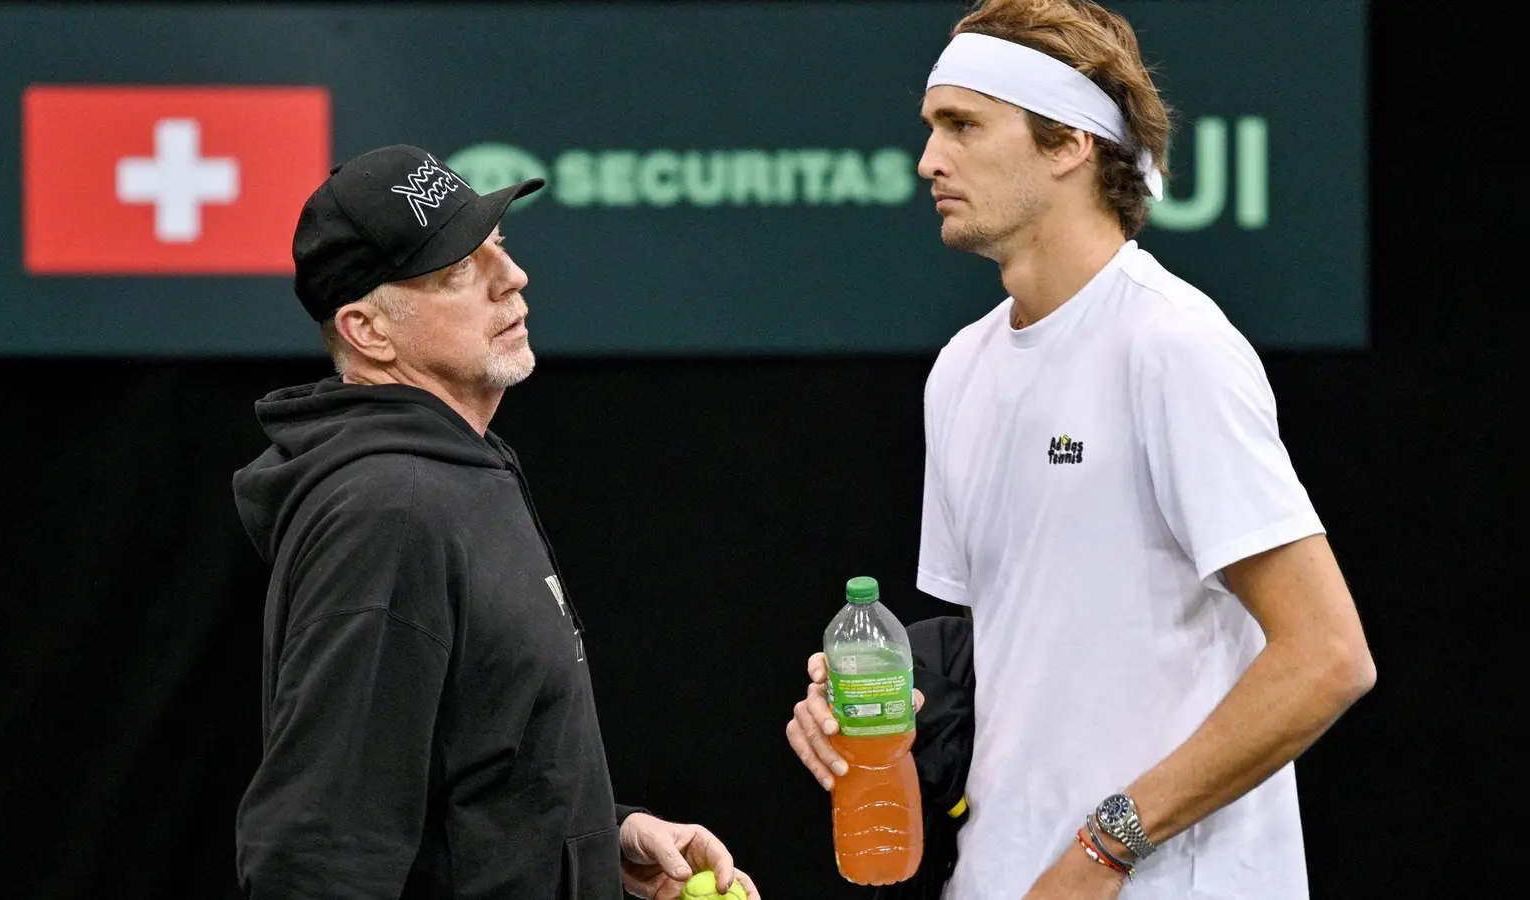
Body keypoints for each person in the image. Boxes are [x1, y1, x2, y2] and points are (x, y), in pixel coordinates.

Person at [786, 2, 1376, 898]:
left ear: (1069, 145)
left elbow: (1327, 657)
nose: (928, 160)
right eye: (931, 127)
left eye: (963, 125)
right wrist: (878, 701)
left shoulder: (1172, 345)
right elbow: (1011, 652)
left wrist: (1107, 847)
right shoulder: (959, 370)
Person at [232, 144, 759, 900]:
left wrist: (600, 840)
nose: (511, 278)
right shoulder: (389, 512)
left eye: (498, 248)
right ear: (368, 331)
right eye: (457, 271)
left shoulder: (460, 472)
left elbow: (474, 763)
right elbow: (319, 851)